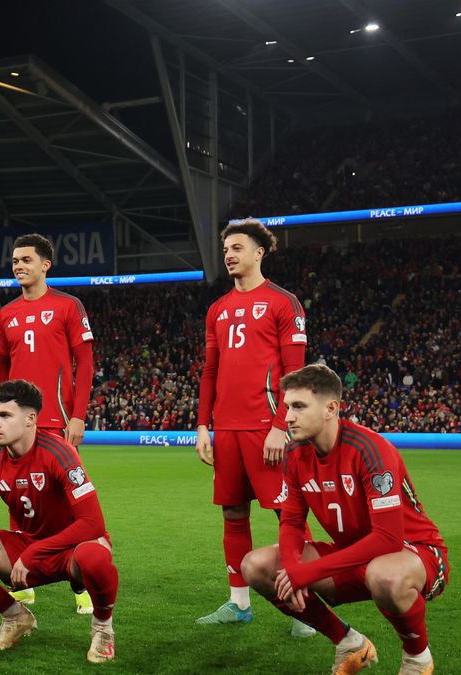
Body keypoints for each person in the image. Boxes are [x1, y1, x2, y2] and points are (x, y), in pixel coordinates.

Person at [242, 364, 448, 675]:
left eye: (299, 406)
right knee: (256, 566)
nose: (288, 417)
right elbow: (292, 522)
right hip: (351, 557)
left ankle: (417, 658)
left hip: (414, 554)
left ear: (331, 409)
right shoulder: (296, 455)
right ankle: (349, 642)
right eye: (287, 407)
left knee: (385, 576)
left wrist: (308, 572)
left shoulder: (370, 450)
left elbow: (388, 539)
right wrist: (294, 567)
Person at [0, 379, 117, 663]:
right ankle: (14, 615)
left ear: (30, 419)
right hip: (25, 546)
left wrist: (34, 553)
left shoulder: (59, 452)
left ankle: (103, 628)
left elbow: (92, 524)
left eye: (5, 415)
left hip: (70, 549)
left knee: (95, 554)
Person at [195, 218, 312, 636]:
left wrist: (283, 425)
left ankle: (304, 601)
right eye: (226, 248)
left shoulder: (284, 302)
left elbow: (295, 372)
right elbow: (210, 372)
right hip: (225, 429)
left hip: (268, 428)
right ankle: (239, 602)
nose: (229, 254)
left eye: (237, 247)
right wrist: (203, 427)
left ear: (259, 252)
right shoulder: (217, 310)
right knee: (232, 513)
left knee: (288, 513)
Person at [0, 232, 96, 613]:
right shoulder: (7, 314)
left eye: (26, 260)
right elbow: (3, 368)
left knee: (68, 500)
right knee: (15, 495)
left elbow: (84, 364)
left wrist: (79, 415)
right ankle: (21, 583)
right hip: (18, 424)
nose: (19, 266)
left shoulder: (69, 306)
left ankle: (79, 580)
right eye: (15, 261)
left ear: (45, 265)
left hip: (55, 420)